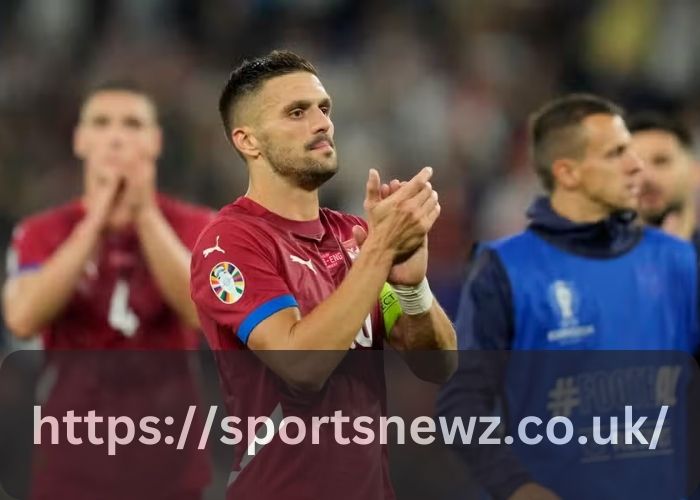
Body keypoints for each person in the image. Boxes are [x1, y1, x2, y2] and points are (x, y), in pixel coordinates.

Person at [189, 50, 456, 499]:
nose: (322, 123)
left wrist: (412, 287)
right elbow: (302, 365)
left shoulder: (353, 236)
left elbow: (437, 364)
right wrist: (381, 250)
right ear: (248, 141)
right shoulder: (231, 243)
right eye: (297, 112)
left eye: (324, 109)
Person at [438, 94, 700, 500]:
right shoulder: (506, 269)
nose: (636, 166)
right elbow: (460, 406)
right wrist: (517, 487)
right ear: (568, 173)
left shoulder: (677, 260)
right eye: (617, 153)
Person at [2, 81, 214, 499]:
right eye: (101, 123)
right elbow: (23, 318)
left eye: (132, 124)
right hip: (73, 471)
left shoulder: (200, 227)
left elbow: (206, 316)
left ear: (155, 141)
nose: (116, 136)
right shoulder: (40, 233)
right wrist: (94, 224)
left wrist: (145, 215)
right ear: (80, 140)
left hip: (170, 470)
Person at [627, 111, 700, 245]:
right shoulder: (599, 256)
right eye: (635, 165)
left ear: (695, 171)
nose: (646, 177)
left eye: (661, 161)